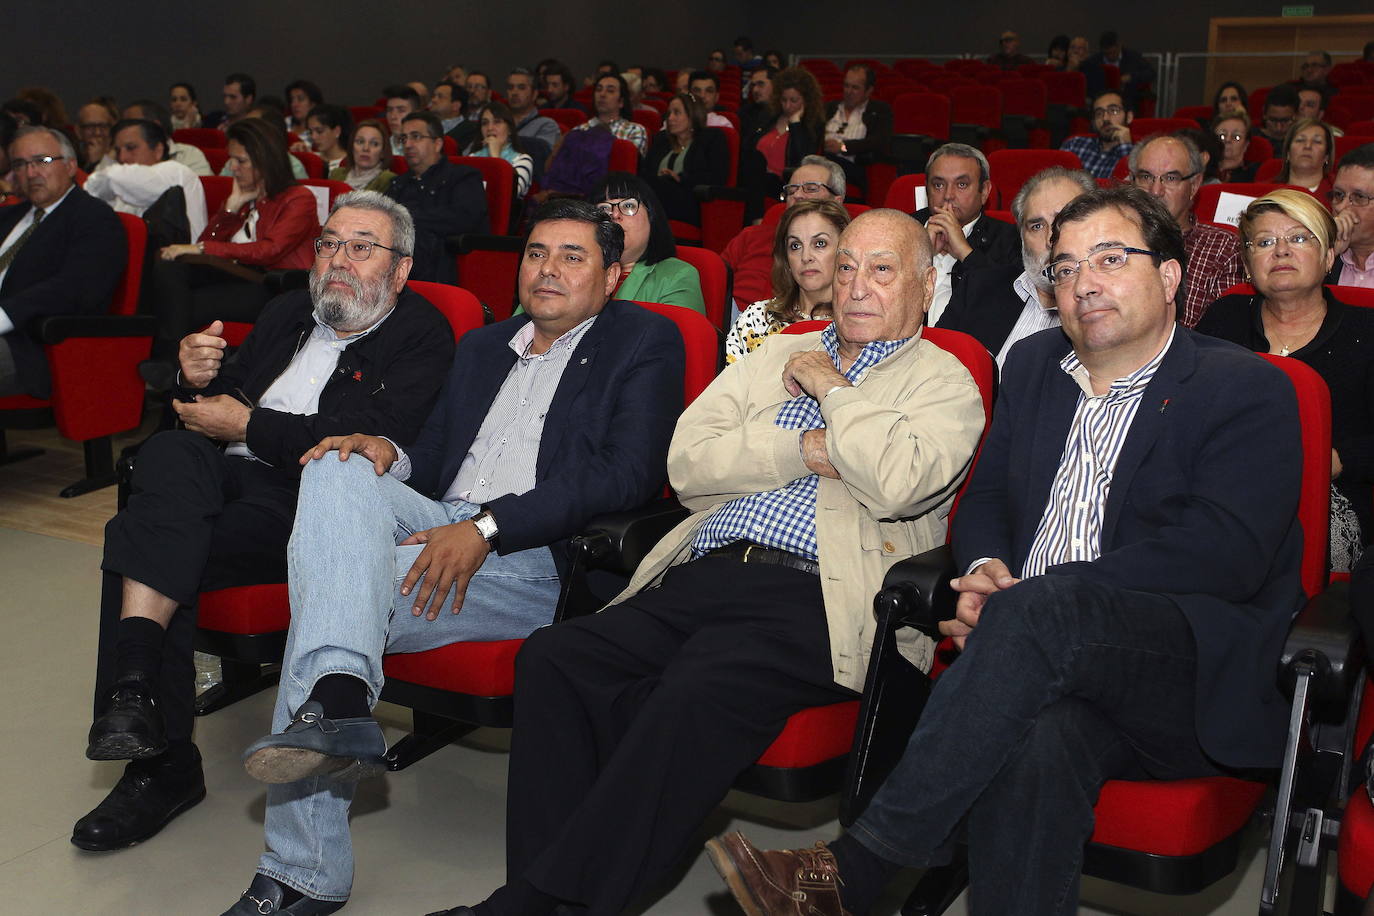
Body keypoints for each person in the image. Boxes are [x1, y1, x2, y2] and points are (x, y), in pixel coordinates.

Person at [709, 185, 1307, 916]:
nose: (1083, 281)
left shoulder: (1247, 387)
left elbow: (1224, 554)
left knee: (1047, 608)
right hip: (1040, 659)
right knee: (1041, 748)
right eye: (1063, 267)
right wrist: (986, 568)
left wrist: (1028, 600)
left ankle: (857, 867)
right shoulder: (1030, 368)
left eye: (1111, 259)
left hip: (1179, 666)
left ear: (1172, 276)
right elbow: (986, 498)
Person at [425, 207, 985, 916]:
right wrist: (801, 450)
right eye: (845, 267)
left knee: (694, 688)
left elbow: (899, 479)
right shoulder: (779, 352)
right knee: (558, 658)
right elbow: (689, 462)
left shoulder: (945, 379)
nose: (856, 286)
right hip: (708, 568)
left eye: (882, 270)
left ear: (925, 284)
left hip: (822, 596)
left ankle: (529, 905)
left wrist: (832, 392)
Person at [218, 199, 685, 914]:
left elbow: (623, 474)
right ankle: (341, 696)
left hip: (533, 556)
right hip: (438, 521)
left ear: (614, 275)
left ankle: (300, 870)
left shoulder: (644, 341)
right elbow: (434, 457)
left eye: (572, 256)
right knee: (340, 463)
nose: (548, 270)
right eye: (535, 253)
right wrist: (389, 454)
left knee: (329, 597)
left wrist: (487, 529)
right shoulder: (483, 346)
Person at [76, 192, 455, 855]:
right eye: (329, 244)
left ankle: (154, 751)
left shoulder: (420, 334)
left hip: (310, 499)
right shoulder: (289, 312)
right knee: (165, 454)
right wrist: (194, 383)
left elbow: (366, 443)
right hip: (219, 471)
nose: (338, 261)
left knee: (147, 542)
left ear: (400, 270)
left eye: (360, 248)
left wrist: (247, 425)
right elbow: (217, 405)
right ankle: (137, 696)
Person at [1197, 189, 1374, 567]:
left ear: (1328, 257)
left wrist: (1338, 460)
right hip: (1220, 490)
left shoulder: (1368, 331)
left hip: (1329, 498)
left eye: (1298, 238)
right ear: (1247, 264)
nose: (1280, 251)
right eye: (1264, 242)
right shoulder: (1224, 318)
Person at [147, 117, 319, 363]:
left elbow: (269, 250)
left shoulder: (299, 198)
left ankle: (169, 366)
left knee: (181, 306)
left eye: (241, 161)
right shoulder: (245, 195)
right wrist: (230, 209)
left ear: (265, 162)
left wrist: (202, 247)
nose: (233, 168)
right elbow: (203, 251)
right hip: (236, 277)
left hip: (273, 286)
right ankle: (171, 366)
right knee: (169, 270)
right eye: (232, 159)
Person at [0, 126, 126, 398]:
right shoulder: (9, 216)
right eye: (20, 164)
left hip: (33, 344)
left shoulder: (94, 219)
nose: (30, 173)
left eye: (42, 161)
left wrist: (3, 315)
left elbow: (75, 287)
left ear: (70, 166)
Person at [938, 166, 1097, 366]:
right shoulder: (979, 287)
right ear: (1022, 238)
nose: (1050, 239)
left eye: (1063, 221)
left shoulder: (1103, 305)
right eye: (1037, 226)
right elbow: (933, 366)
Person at [1129, 133, 1243, 327]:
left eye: (1171, 178)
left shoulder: (1223, 249)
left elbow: (1220, 337)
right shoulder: (1109, 242)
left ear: (1194, 185)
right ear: (1132, 181)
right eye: (1146, 176)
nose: (1156, 190)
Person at [724, 198, 850, 362]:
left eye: (819, 243)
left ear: (844, 252)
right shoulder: (758, 318)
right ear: (787, 260)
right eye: (795, 246)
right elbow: (728, 386)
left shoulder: (860, 323)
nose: (805, 257)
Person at [914, 142, 1021, 325]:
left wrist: (965, 253)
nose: (948, 195)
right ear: (927, 190)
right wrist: (920, 253)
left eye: (962, 184)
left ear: (985, 191)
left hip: (967, 348)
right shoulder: (901, 228)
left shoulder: (1009, 238)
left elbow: (1009, 302)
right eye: (938, 185)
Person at [722, 156, 846, 307]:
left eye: (811, 188)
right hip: (735, 316)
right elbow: (715, 281)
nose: (798, 195)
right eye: (792, 190)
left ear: (836, 202)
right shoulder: (752, 235)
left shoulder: (847, 244)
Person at [386, 111, 487, 283]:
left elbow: (465, 219)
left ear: (438, 143)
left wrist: (406, 218)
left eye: (416, 137)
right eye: (404, 139)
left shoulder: (463, 177)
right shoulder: (398, 184)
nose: (408, 144)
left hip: (444, 266)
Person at [591, 172, 704, 313]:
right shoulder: (577, 272)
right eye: (604, 208)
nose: (614, 215)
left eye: (628, 206)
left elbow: (674, 334)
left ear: (652, 217)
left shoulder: (677, 276)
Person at [85, 118, 209, 244]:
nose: (122, 157)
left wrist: (96, 180)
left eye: (131, 148)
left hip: (182, 260)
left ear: (158, 150)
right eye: (117, 151)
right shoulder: (124, 184)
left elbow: (111, 177)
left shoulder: (176, 172)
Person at [638, 92, 729, 224]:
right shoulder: (662, 139)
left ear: (693, 115)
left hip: (691, 201)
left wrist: (679, 178)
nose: (670, 118)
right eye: (668, 113)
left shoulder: (712, 138)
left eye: (677, 113)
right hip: (657, 197)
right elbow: (646, 172)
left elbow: (717, 177)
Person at [746, 66, 826, 207]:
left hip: (786, 186)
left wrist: (795, 123)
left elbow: (802, 160)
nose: (787, 106)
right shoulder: (767, 119)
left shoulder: (812, 127)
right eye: (784, 100)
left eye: (793, 100)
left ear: (806, 100)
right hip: (756, 183)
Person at [823, 64, 894, 191]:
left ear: (869, 90)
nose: (848, 91)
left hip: (854, 167)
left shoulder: (879, 111)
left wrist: (842, 147)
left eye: (855, 88)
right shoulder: (830, 108)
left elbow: (879, 141)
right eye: (846, 86)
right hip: (824, 160)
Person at [123, 98, 213, 177]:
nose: (123, 132)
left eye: (131, 124)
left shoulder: (189, 155)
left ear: (155, 126)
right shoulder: (121, 157)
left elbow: (198, 192)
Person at [467, 102, 534, 199]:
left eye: (497, 122)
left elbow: (510, 194)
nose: (490, 128)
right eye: (485, 123)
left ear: (510, 129)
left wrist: (495, 156)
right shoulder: (472, 158)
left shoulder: (523, 160)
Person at [1060, 89, 1133, 179]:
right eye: (1099, 113)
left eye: (1113, 111)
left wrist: (1125, 146)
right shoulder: (1074, 144)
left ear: (1129, 117)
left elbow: (1133, 187)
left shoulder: (1139, 154)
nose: (1105, 118)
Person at [1329, 144, 1374, 288]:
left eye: (1359, 197)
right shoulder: (1323, 262)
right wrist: (1328, 255)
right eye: (1339, 195)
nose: (1341, 207)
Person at [573, 73, 648, 155]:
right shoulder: (579, 130)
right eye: (598, 89)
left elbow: (629, 162)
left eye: (610, 91)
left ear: (621, 102)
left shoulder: (634, 130)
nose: (602, 94)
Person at [1081, 30, 1156, 110]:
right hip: (1101, 100)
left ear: (1119, 46)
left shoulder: (1132, 57)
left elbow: (1151, 73)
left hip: (1127, 101)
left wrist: (1131, 77)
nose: (1110, 57)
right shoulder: (1094, 61)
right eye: (1107, 54)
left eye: (1113, 53)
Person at [329, 119, 396, 193]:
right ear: (352, 147)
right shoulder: (336, 174)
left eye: (374, 144)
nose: (365, 148)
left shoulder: (387, 179)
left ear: (383, 152)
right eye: (360, 142)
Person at [505, 67, 560, 156]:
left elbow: (542, 157)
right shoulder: (497, 122)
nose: (514, 92)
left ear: (534, 94)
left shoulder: (547, 125)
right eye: (510, 87)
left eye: (521, 87)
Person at [1276, 117, 1335, 196]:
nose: (1307, 146)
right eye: (1300, 140)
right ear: (1288, 153)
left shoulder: (1337, 195)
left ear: (1326, 156)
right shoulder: (1265, 194)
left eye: (1317, 141)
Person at [302, 105, 351, 171]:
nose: (313, 137)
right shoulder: (312, 158)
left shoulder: (351, 163)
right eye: (310, 132)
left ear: (337, 131)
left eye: (319, 131)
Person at [76, 98, 119, 172]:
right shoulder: (72, 160)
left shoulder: (123, 159)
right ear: (78, 132)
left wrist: (98, 161)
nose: (97, 132)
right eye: (90, 126)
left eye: (103, 126)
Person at [1214, 111, 1258, 182]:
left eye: (1236, 137)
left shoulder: (1254, 176)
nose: (1228, 140)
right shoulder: (1202, 173)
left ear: (1246, 145)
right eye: (1222, 136)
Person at [383, 85, 422, 155]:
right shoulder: (381, 148)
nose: (393, 116)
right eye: (389, 110)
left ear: (416, 114)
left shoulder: (424, 150)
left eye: (401, 110)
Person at [740, 64, 776, 136]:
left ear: (775, 85)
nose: (755, 90)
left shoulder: (785, 113)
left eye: (760, 84)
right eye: (753, 85)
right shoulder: (744, 114)